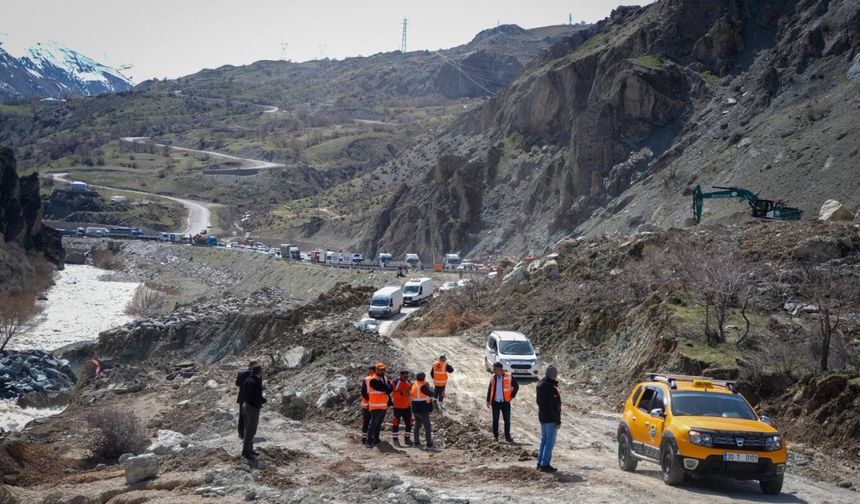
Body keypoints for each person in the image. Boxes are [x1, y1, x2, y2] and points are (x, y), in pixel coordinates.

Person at [536, 365, 561, 472]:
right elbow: (554, 407)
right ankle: (545, 464)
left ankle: (540, 462)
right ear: (554, 376)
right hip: (550, 419)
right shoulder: (551, 389)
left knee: (544, 440)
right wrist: (558, 421)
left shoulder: (540, 385)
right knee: (549, 442)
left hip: (542, 416)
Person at [486, 362, 519, 442]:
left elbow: (516, 386)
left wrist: (512, 396)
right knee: (495, 420)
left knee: (507, 420)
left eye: (495, 369)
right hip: (495, 402)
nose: (493, 370)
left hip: (505, 402)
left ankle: (507, 436)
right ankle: (495, 436)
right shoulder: (493, 378)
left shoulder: (509, 376)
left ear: (500, 369)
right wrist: (488, 400)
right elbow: (490, 389)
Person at [362, 362, 392, 447]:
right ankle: (369, 441)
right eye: (380, 370)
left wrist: (387, 388)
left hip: (383, 405)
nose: (382, 371)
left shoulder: (383, 379)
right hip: (375, 405)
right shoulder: (373, 380)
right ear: (376, 370)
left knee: (378, 424)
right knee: (373, 424)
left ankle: (376, 439)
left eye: (383, 370)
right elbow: (386, 388)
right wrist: (387, 388)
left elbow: (390, 389)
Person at [241, 365, 266, 459]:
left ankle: (249, 450)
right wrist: (262, 400)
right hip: (253, 408)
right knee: (251, 431)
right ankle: (246, 452)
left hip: (247, 406)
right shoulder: (255, 382)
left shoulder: (248, 380)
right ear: (259, 372)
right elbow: (255, 396)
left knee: (248, 429)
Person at [411, 372, 435, 449]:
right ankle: (429, 444)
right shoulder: (422, 386)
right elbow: (431, 394)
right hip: (422, 409)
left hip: (415, 408)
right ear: (423, 378)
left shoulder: (415, 384)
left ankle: (416, 442)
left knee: (417, 425)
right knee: (427, 426)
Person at [235, 359, 258, 439]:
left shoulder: (241, 373)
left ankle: (241, 433)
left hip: (242, 398)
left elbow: (237, 384)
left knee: (242, 416)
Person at [390, 370, 414, 445]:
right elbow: (391, 393)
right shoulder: (395, 382)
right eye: (404, 376)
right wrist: (401, 393)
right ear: (400, 375)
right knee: (395, 423)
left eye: (407, 376)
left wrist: (410, 393)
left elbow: (411, 391)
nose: (406, 378)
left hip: (407, 406)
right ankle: (395, 440)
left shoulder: (408, 382)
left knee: (409, 423)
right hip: (397, 407)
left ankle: (407, 439)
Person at [360, 365, 376, 445]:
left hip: (367, 404)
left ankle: (364, 438)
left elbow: (363, 392)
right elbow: (363, 392)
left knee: (366, 422)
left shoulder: (366, 379)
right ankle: (369, 438)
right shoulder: (372, 379)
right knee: (371, 422)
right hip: (371, 404)